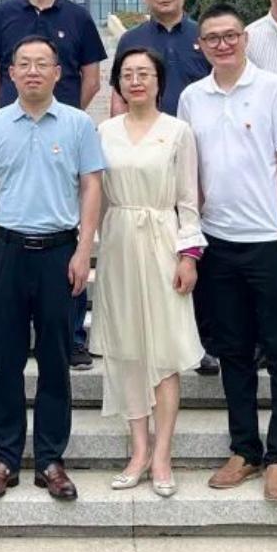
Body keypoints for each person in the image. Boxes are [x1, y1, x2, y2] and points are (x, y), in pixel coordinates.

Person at [178, 4, 277, 503]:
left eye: (231, 35)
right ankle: (245, 449)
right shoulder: (192, 97)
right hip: (218, 240)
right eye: (212, 37)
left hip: (269, 240)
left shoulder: (273, 88)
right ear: (201, 45)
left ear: (245, 39)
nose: (223, 44)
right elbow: (190, 170)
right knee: (233, 351)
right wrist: (191, 233)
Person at [0, 35, 104, 503]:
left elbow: (91, 187)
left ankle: (50, 459)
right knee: (5, 359)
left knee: (56, 360)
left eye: (41, 64)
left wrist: (84, 251)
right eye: (23, 64)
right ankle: (4, 458)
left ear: (57, 72)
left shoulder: (79, 124)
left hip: (59, 253)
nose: (32, 71)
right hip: (7, 252)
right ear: (10, 73)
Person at [0, 0, 106, 372]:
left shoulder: (78, 17)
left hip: (63, 135)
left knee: (65, 240)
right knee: (5, 244)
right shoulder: (3, 15)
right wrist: (15, 114)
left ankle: (73, 338)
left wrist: (63, 119)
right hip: (13, 129)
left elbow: (91, 78)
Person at [91, 47, 205, 498]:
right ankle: (138, 450)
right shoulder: (103, 131)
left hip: (162, 240)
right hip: (118, 241)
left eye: (144, 73)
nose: (136, 81)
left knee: (164, 349)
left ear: (159, 81)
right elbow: (94, 196)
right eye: (127, 74)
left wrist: (188, 255)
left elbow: (189, 200)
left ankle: (162, 454)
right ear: (117, 82)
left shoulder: (178, 131)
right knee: (126, 349)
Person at [110, 0, 218, 378]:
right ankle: (146, 339)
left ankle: (201, 343)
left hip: (196, 153)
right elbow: (118, 97)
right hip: (145, 160)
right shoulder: (132, 39)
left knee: (193, 247)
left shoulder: (202, 36)